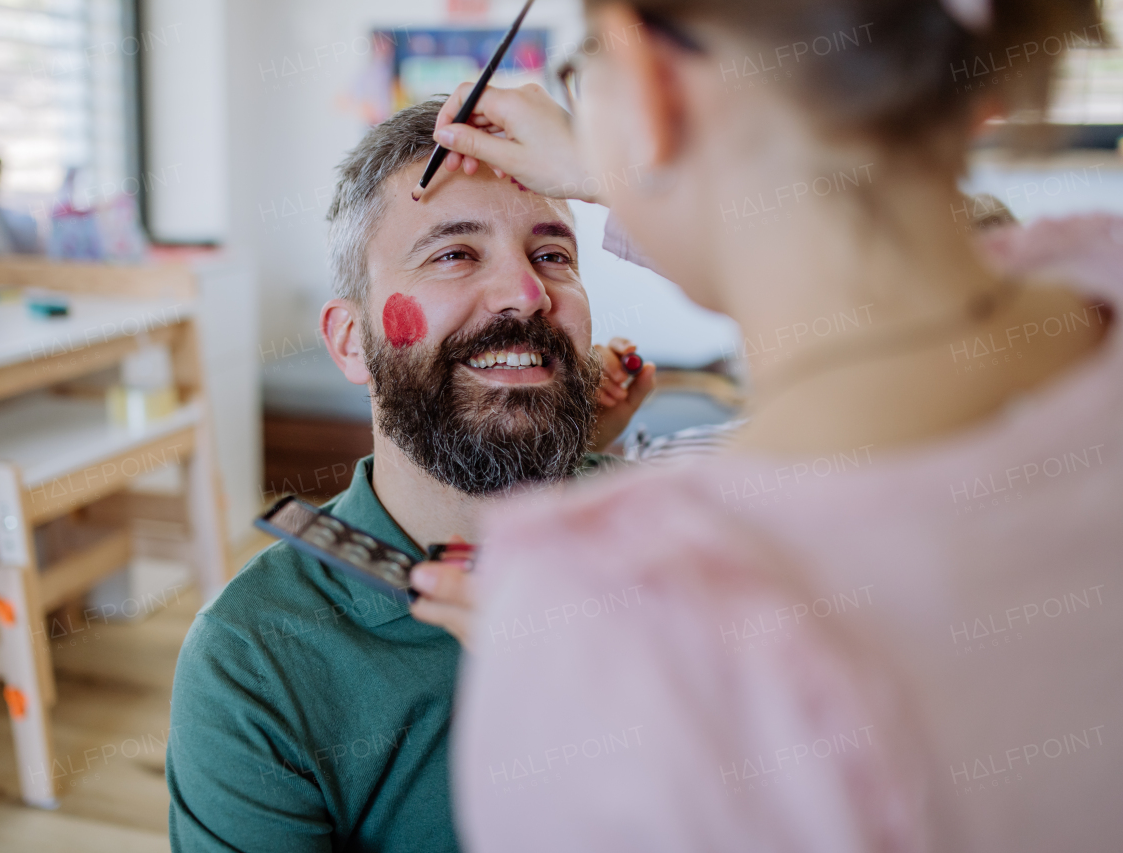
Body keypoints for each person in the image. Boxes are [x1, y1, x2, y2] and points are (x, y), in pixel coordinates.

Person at [411, 1, 1122, 850]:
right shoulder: (1095, 270)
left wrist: (588, 674)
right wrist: (634, 158)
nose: (524, 295)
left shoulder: (620, 627)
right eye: (454, 254)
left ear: (647, 74)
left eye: (581, 70)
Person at [165, 97, 655, 852]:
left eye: (553, 255)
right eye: (455, 253)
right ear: (352, 340)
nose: (527, 293)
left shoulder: (670, 533)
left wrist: (616, 178)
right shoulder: (254, 661)